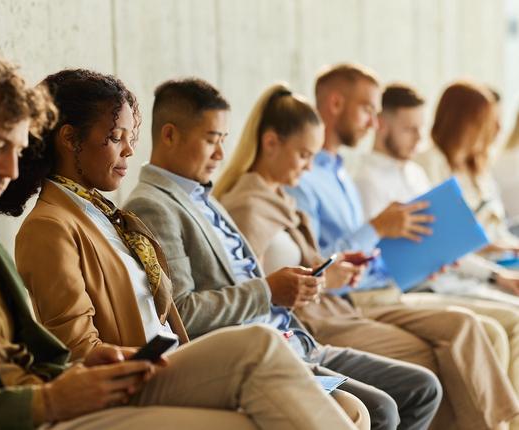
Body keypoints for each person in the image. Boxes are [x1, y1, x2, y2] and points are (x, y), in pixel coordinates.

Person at [0, 52, 355, 430]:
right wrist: (49, 399)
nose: (13, 168)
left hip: (76, 393)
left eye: (16, 148)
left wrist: (82, 371)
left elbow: (42, 353)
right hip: (44, 414)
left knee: (279, 372)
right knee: (265, 381)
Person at [1, 68, 365, 430]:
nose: (129, 149)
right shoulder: (50, 226)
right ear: (70, 139)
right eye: (115, 137)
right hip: (131, 380)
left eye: (131, 136)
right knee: (259, 344)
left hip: (168, 360)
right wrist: (149, 358)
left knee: (352, 410)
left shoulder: (106, 213)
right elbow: (77, 352)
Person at [123, 77, 444, 430]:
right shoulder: (154, 206)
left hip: (293, 337)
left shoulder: (202, 197)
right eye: (211, 140)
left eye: (223, 142)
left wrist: (292, 287)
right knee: (381, 408)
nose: (219, 154)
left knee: (418, 389)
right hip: (258, 351)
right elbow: (181, 313)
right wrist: (269, 291)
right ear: (169, 135)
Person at [215, 80, 519, 429]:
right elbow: (252, 286)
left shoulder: (292, 195)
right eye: (303, 156)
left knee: (467, 335)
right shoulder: (255, 205)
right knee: (436, 361)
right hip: (326, 314)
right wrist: (334, 271)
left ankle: (499, 423)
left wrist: (341, 271)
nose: (307, 167)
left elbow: (315, 264)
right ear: (271, 144)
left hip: (355, 297)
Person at [415, 81, 519, 257]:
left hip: (501, 261)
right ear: (463, 122)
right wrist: (499, 248)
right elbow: (443, 237)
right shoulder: (428, 164)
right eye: (486, 121)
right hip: (468, 270)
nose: (496, 129)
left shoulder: (478, 167)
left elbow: (498, 229)